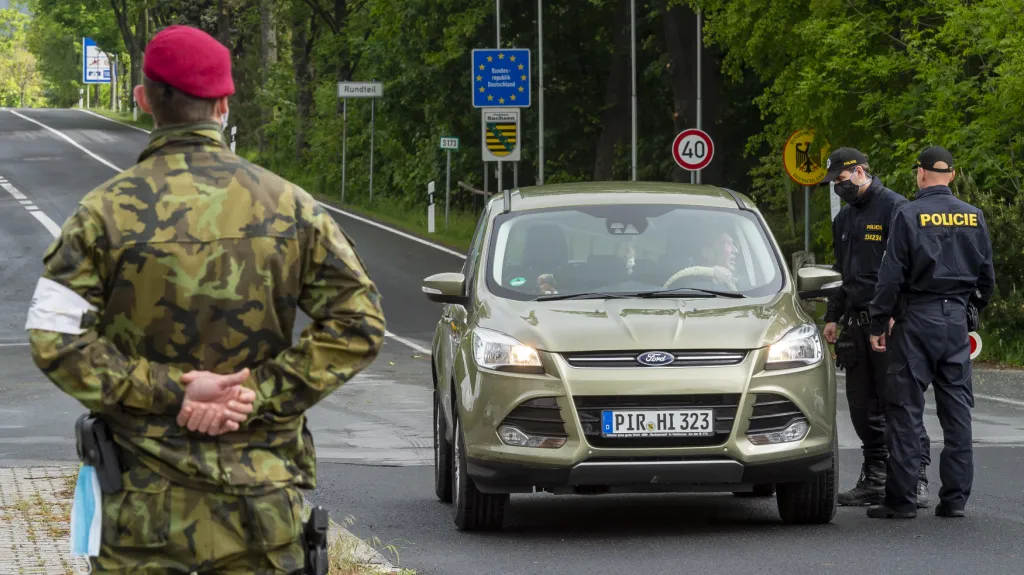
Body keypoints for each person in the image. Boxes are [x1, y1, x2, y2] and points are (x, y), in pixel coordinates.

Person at [25, 25, 386, 571]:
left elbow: (53, 337)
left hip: (140, 513)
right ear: (223, 103)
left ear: (143, 98)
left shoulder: (101, 214)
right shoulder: (292, 209)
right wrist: (256, 395)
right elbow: (359, 324)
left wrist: (173, 392)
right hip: (260, 509)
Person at [866, 146, 994, 519]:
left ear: (920, 174)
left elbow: (890, 277)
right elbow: (987, 280)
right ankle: (954, 501)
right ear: (952, 176)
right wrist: (968, 311)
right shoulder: (974, 216)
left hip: (915, 321)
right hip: (955, 322)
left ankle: (902, 500)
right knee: (957, 412)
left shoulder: (907, 214)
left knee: (905, 410)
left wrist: (878, 322)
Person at [819, 147, 931, 507]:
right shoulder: (844, 220)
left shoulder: (897, 209)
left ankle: (915, 476)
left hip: (892, 324)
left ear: (861, 171)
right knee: (862, 407)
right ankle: (876, 476)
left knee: (898, 403)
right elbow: (844, 274)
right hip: (857, 324)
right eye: (835, 181)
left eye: (842, 178)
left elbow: (910, 268)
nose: (839, 186)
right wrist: (833, 316)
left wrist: (898, 313)